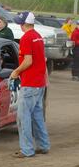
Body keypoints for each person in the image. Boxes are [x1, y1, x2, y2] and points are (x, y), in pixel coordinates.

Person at [11, 11, 50, 158]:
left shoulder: (27, 38)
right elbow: (41, 60)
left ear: (23, 24)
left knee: (23, 117)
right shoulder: (38, 36)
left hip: (30, 83)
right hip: (39, 83)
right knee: (37, 116)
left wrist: (16, 72)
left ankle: (27, 149)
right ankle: (43, 145)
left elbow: (28, 61)